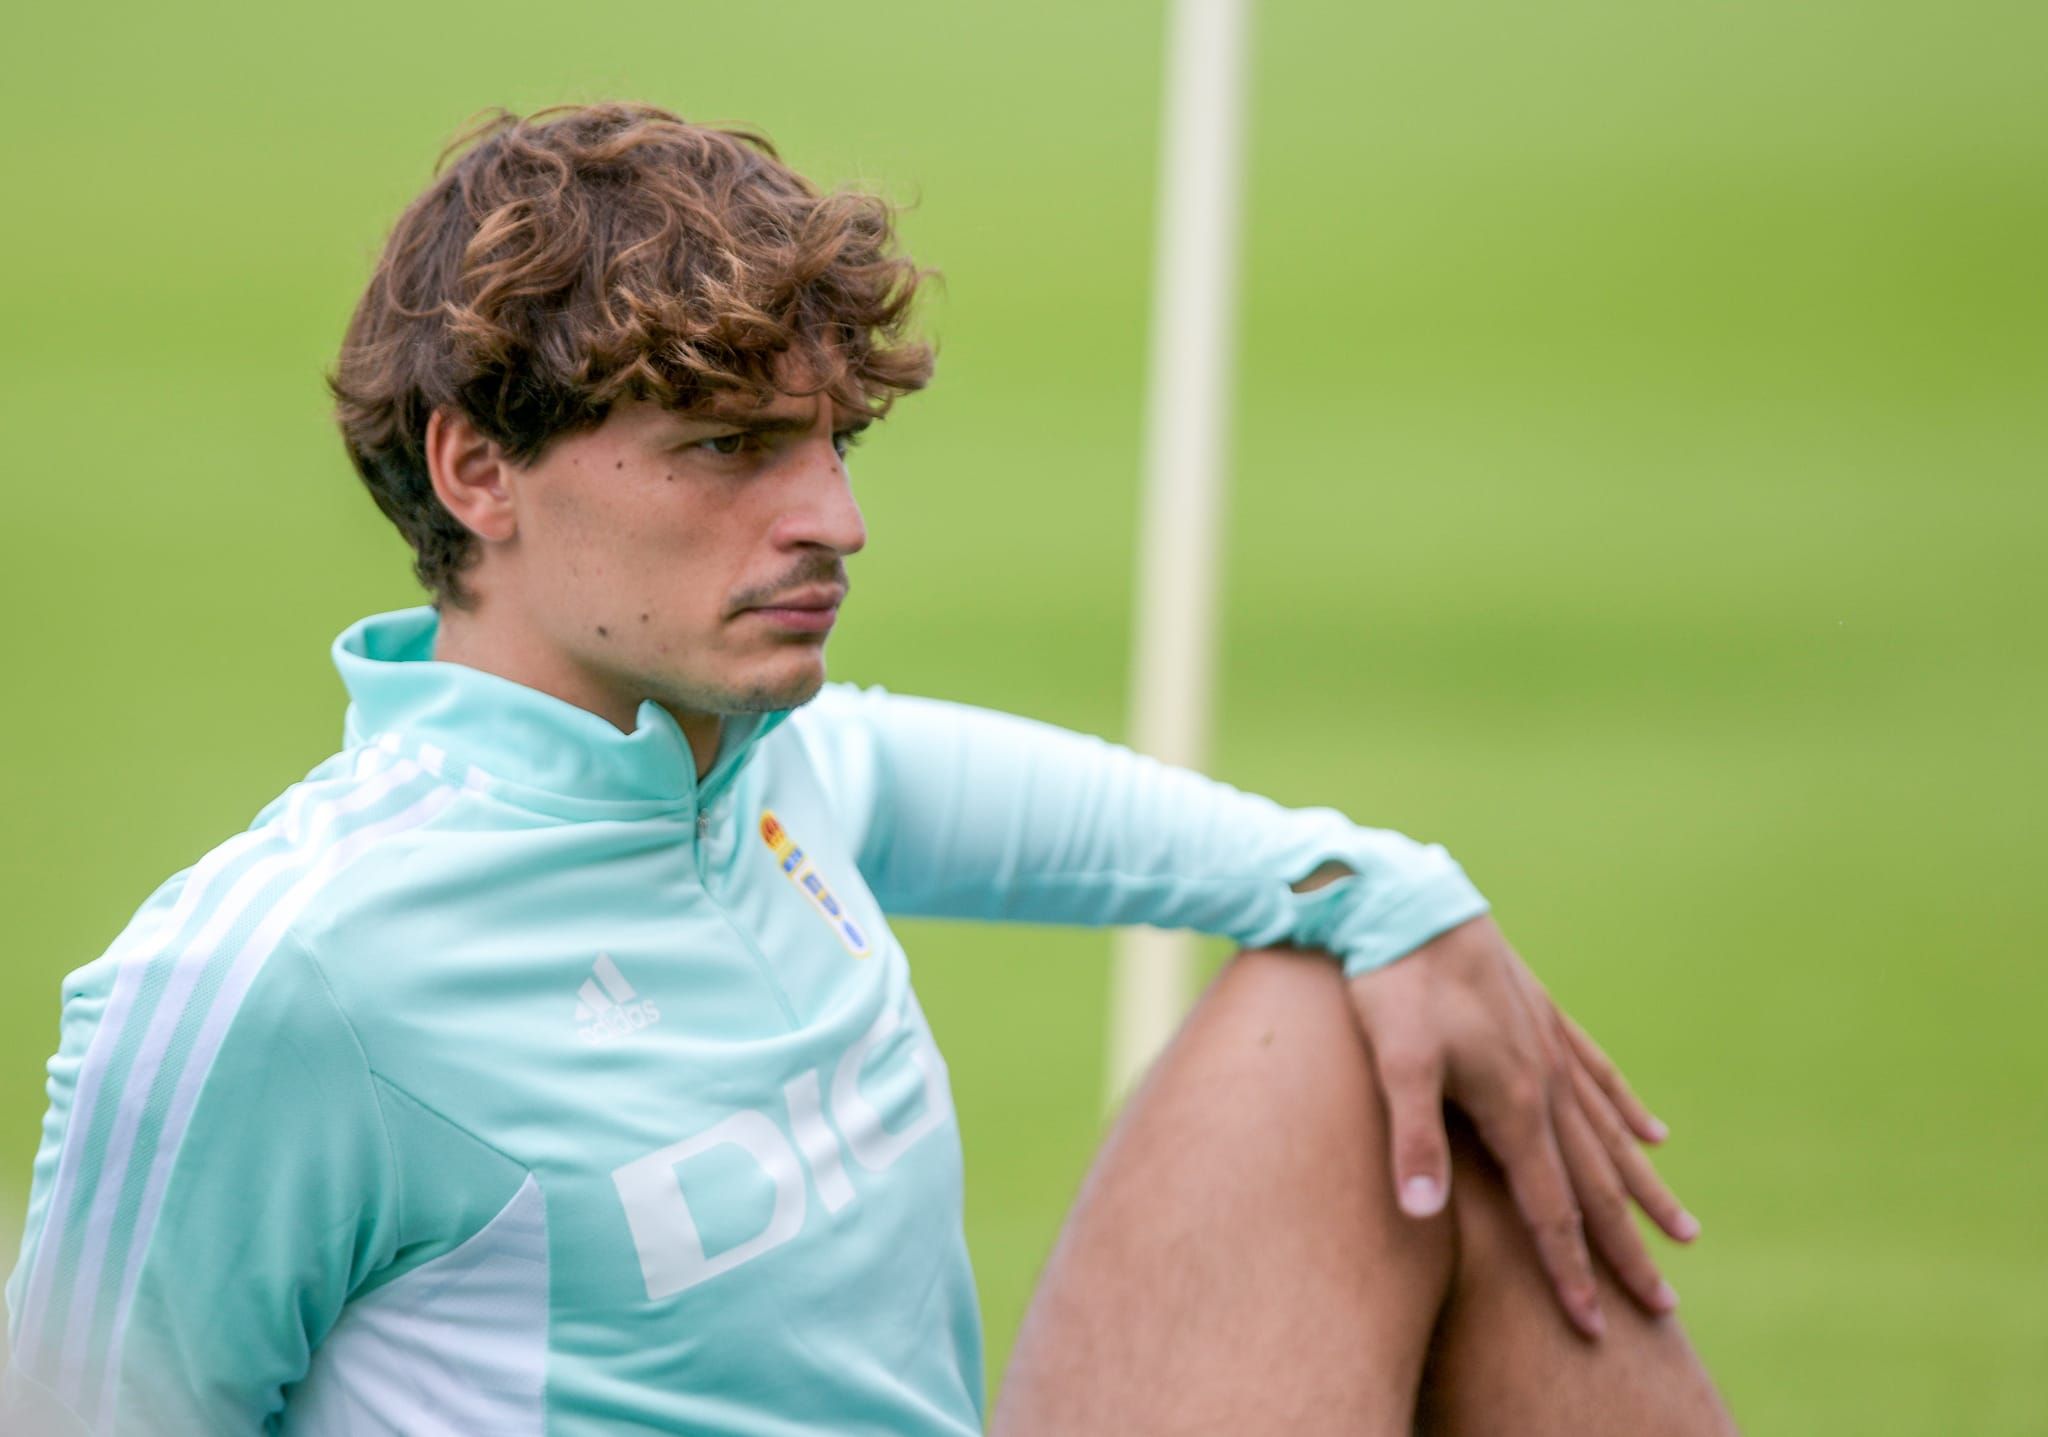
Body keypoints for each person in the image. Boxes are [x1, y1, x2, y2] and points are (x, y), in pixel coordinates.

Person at [3, 102, 1736, 1435]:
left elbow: (952, 785)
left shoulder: (756, 770)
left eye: (832, 442)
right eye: (729, 448)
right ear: (479, 472)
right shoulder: (280, 976)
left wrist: (1383, 886)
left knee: (1363, 1006)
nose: (834, 519)